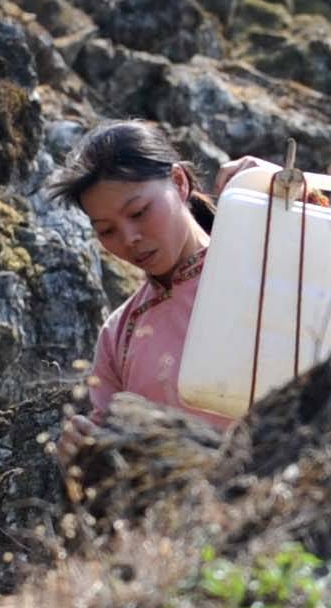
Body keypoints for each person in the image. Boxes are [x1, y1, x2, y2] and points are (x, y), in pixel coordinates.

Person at [48, 120, 227, 426]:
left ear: (179, 182)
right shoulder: (119, 334)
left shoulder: (261, 264)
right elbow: (112, 443)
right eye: (107, 230)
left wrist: (281, 190)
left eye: (139, 212)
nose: (129, 238)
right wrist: (84, 449)